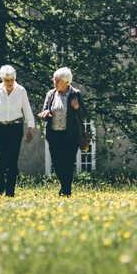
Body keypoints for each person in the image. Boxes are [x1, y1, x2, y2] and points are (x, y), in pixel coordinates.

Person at [0, 65, 35, 197]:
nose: (10, 83)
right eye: (7, 80)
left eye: (11, 79)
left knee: (12, 160)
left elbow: (27, 110)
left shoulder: (21, 90)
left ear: (14, 78)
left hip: (15, 128)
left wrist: (30, 128)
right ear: (2, 79)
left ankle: (10, 191)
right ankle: (0, 186)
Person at [40, 67, 86, 197]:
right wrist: (45, 113)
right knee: (57, 162)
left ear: (66, 82)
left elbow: (84, 114)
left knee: (68, 162)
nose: (54, 82)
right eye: (54, 79)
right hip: (54, 134)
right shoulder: (51, 94)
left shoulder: (75, 94)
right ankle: (64, 186)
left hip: (71, 135)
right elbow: (44, 110)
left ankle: (66, 190)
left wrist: (77, 108)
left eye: (57, 80)